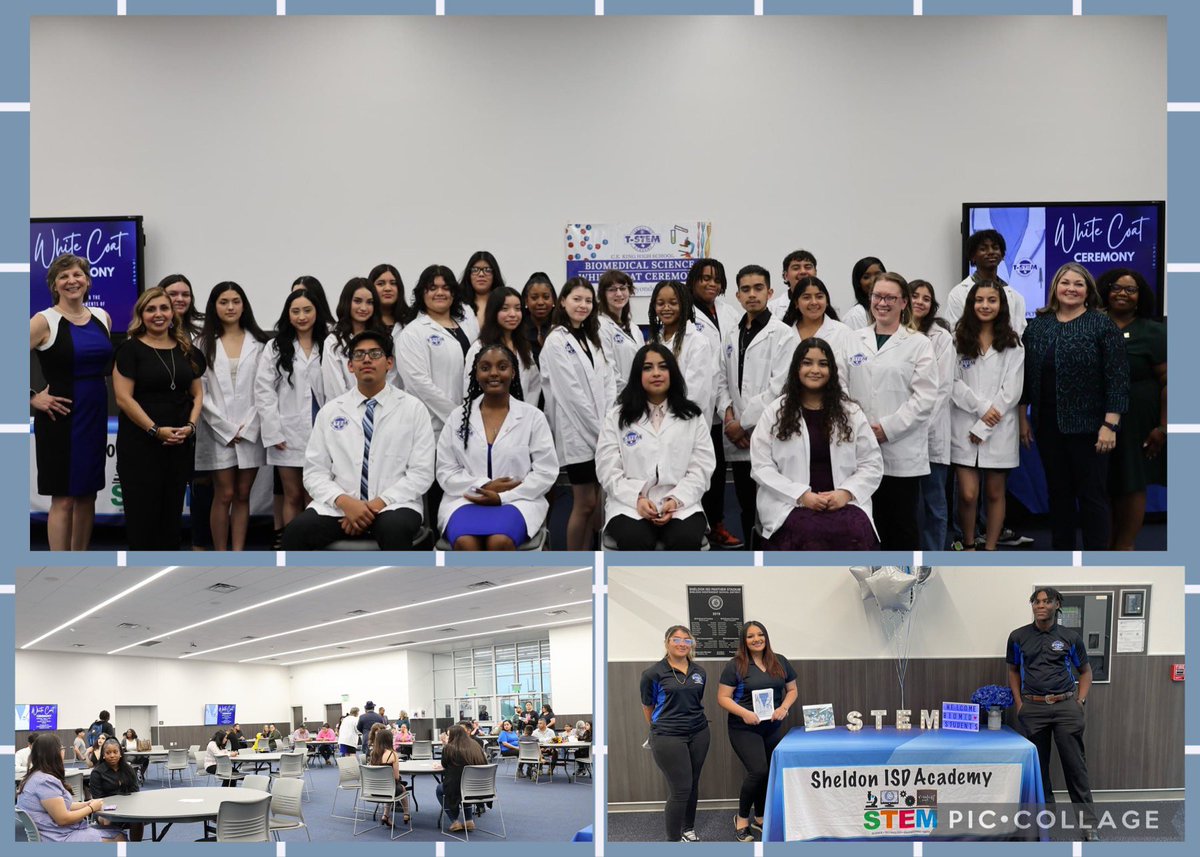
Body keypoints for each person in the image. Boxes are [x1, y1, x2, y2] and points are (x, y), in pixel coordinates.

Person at [282, 331, 434, 550]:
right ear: (350, 366)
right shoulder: (331, 411)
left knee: (394, 529)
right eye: (359, 355)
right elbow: (315, 472)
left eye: (375, 354)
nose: (367, 359)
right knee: (295, 533)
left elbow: (421, 472)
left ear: (389, 363)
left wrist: (372, 506)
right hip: (339, 506)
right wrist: (346, 503)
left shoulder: (413, 409)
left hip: (394, 505)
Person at [1019, 263, 1129, 550]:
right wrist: (1023, 418)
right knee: (1059, 495)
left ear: (1088, 291)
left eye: (1078, 284)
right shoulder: (1038, 325)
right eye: (1065, 282)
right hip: (1048, 426)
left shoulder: (1102, 324)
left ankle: (1097, 561)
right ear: (1055, 287)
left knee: (1092, 496)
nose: (1071, 288)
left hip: (1092, 428)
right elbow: (1025, 376)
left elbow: (1117, 377)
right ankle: (1062, 555)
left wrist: (1110, 424)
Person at [751, 338, 883, 550]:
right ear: (796, 368)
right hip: (789, 503)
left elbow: (872, 464)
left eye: (823, 364)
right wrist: (801, 495)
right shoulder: (775, 412)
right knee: (807, 531)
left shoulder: (851, 412)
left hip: (843, 501)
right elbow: (761, 466)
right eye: (807, 363)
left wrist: (845, 493)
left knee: (854, 530)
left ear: (832, 370)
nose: (815, 370)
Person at [843, 272, 938, 550]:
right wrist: (860, 427)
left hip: (901, 451)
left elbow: (925, 397)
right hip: (858, 446)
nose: (882, 303)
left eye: (890, 298)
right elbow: (839, 386)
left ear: (904, 302)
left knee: (901, 526)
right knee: (864, 523)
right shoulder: (852, 339)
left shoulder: (918, 343)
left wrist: (887, 429)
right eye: (877, 296)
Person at [30, 254, 114, 551]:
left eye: (77, 275)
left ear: (87, 281)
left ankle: (79, 559)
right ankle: (59, 562)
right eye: (63, 277)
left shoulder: (103, 317)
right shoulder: (43, 320)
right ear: (55, 286)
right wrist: (32, 397)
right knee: (63, 498)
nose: (71, 281)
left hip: (93, 413)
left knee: (87, 494)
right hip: (60, 418)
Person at [113, 287, 207, 550]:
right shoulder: (129, 350)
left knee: (171, 518)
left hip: (178, 445)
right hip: (140, 446)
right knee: (143, 521)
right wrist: (155, 430)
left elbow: (198, 394)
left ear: (172, 313)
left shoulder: (187, 349)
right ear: (141, 315)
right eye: (151, 309)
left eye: (164, 308)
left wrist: (190, 426)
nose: (158, 314)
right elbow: (123, 398)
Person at [438, 343, 558, 550]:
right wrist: (484, 486)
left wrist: (503, 496)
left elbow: (545, 472)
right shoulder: (456, 418)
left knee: (499, 541)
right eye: (485, 368)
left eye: (502, 367)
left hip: (518, 501)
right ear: (476, 374)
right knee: (466, 543)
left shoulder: (533, 417)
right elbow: (445, 471)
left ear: (513, 373)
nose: (494, 373)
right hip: (465, 501)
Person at [596, 343, 715, 550]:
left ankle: (676, 584)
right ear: (637, 375)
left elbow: (702, 469)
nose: (656, 373)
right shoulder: (617, 417)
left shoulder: (692, 416)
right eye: (648, 368)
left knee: (684, 539)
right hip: (629, 504)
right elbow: (607, 469)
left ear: (672, 372)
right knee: (636, 539)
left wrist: (675, 500)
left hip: (681, 503)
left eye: (663, 367)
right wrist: (637, 499)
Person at [1006, 587, 1098, 838]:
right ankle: (1044, 821)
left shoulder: (1071, 637)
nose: (1040, 605)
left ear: (1057, 605)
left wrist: (1079, 701)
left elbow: (1086, 672)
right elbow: (1013, 670)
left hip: (1066, 707)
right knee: (1039, 768)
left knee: (1075, 767)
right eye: (1036, 601)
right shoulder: (1017, 637)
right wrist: (1019, 703)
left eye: (1046, 601)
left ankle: (1088, 824)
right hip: (1033, 708)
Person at [717, 265, 797, 548]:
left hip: (766, 433)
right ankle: (752, 560)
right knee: (745, 505)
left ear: (770, 292)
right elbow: (721, 381)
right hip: (736, 438)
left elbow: (779, 387)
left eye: (758, 288)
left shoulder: (783, 334)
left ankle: (771, 562)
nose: (752, 295)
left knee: (772, 508)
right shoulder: (730, 334)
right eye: (746, 289)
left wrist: (743, 423)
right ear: (737, 295)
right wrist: (728, 419)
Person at [541, 277, 616, 549]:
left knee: (597, 504)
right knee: (584, 504)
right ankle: (575, 561)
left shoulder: (590, 337)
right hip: (578, 433)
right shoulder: (556, 341)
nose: (582, 305)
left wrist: (608, 427)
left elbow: (609, 382)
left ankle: (590, 557)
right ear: (562, 301)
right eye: (576, 299)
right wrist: (600, 434)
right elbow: (571, 395)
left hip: (602, 431)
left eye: (587, 300)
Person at [195, 281, 270, 551]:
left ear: (244, 305)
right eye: (223, 302)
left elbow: (264, 390)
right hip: (218, 432)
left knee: (241, 495)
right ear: (214, 307)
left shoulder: (260, 343)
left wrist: (247, 427)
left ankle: (238, 553)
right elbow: (200, 392)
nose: (230, 307)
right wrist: (227, 428)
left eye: (235, 301)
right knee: (224, 493)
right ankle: (221, 553)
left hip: (251, 428)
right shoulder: (203, 343)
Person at [951, 280, 1024, 551]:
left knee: (994, 493)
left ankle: (990, 549)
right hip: (964, 426)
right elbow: (953, 383)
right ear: (971, 304)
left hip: (999, 428)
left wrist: (984, 424)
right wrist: (981, 410)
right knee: (968, 494)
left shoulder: (1013, 343)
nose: (985, 305)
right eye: (979, 300)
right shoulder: (957, 339)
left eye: (991, 300)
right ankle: (969, 545)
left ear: (1001, 305)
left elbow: (1012, 391)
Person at [398, 264, 475, 520]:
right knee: (438, 493)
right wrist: (457, 416)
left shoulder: (466, 324)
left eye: (445, 287)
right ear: (422, 293)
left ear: (454, 293)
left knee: (467, 491)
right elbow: (419, 384)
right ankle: (436, 552)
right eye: (432, 288)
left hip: (470, 423)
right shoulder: (413, 333)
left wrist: (470, 417)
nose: (439, 292)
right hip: (435, 427)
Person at [1097, 268, 1167, 550]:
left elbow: (1169, 382)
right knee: (1103, 483)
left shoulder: (1154, 331)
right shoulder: (1092, 324)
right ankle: (1105, 546)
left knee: (1132, 481)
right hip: (1098, 417)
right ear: (1106, 291)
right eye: (1117, 287)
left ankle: (1124, 547)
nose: (1123, 293)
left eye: (1131, 289)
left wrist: (1163, 426)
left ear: (1140, 297)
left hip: (1139, 418)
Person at [718, 622, 798, 842]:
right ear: (744, 640)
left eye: (760, 634)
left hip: (771, 727)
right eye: (751, 636)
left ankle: (760, 817)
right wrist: (744, 713)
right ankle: (742, 818)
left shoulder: (779, 660)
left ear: (766, 637)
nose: (756, 639)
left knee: (768, 772)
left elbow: (792, 690)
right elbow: (723, 697)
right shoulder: (735, 665)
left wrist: (784, 708)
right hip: (744, 727)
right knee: (758, 771)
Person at [255, 287, 327, 529]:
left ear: (317, 312)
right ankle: (292, 548)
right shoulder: (275, 346)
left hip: (323, 433)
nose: (301, 316)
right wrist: (273, 430)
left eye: (307, 310)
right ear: (288, 314)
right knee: (293, 495)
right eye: (295, 311)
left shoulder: (329, 344)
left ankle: (313, 551)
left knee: (315, 498)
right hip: (287, 433)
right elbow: (263, 391)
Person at [686, 258, 742, 549]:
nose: (711, 284)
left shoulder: (729, 312)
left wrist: (728, 409)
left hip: (721, 408)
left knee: (717, 473)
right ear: (693, 279)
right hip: (692, 408)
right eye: (705, 278)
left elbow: (727, 365)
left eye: (717, 279)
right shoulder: (684, 312)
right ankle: (694, 527)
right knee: (693, 472)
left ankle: (716, 525)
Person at [641, 625, 710, 843]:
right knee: (680, 789)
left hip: (699, 732)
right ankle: (673, 842)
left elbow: (696, 701)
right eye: (676, 639)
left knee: (693, 783)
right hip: (668, 736)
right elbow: (648, 707)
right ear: (667, 643)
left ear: (691, 645)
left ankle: (688, 828)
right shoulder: (653, 673)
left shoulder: (700, 672)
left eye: (686, 640)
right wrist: (660, 729)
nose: (682, 644)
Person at [908, 280, 955, 552]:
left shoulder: (941, 337)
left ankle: (934, 555)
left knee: (933, 502)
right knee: (906, 504)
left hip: (931, 431)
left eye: (927, 298)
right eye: (915, 296)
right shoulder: (896, 334)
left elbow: (942, 388)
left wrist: (918, 425)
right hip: (899, 434)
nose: (920, 302)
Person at [17, 734, 122, 842]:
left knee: (115, 832)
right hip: (57, 838)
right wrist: (91, 808)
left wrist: (86, 803)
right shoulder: (45, 782)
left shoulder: (35, 777)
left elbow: (60, 806)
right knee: (118, 836)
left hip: (50, 834)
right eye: (61, 748)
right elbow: (63, 819)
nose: (63, 751)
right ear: (54, 753)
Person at [461, 286, 543, 408]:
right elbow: (469, 388)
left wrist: (525, 413)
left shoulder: (523, 346)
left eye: (517, 308)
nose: (513, 314)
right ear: (493, 312)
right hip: (488, 417)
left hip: (522, 418)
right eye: (505, 309)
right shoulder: (479, 348)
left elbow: (534, 385)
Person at [649, 279, 718, 422]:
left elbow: (696, 394)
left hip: (685, 421)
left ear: (685, 305)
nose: (666, 308)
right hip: (654, 421)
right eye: (660, 303)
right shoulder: (653, 342)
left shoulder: (697, 342)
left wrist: (668, 420)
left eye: (673, 303)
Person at [943, 229, 1027, 335]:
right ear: (973, 257)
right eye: (983, 249)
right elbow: (955, 333)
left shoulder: (1016, 297)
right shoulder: (958, 293)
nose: (991, 252)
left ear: (1002, 255)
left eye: (995, 248)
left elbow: (1018, 336)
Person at [322, 277, 388, 397]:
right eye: (357, 301)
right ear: (347, 302)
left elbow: (390, 379)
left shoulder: (383, 338)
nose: (363, 308)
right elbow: (335, 389)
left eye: (369, 302)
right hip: (345, 410)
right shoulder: (333, 342)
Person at [781, 275, 854, 377]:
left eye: (819, 297)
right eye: (806, 297)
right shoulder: (783, 333)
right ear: (796, 303)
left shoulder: (844, 333)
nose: (814, 302)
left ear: (827, 301)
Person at [596, 269, 643, 397]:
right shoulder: (600, 325)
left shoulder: (634, 328)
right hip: (617, 397)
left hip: (638, 395)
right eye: (612, 289)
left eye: (623, 288)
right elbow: (608, 368)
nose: (619, 294)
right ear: (603, 294)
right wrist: (627, 394)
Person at [88, 739, 143, 841]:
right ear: (103, 755)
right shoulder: (97, 773)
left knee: (137, 819)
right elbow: (97, 799)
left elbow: (136, 792)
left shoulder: (128, 769)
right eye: (108, 753)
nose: (112, 755)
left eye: (115, 752)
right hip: (105, 810)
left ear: (120, 753)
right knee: (108, 820)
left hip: (128, 807)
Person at [437, 724, 487, 833]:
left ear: (453, 736)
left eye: (449, 735)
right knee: (465, 786)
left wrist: (446, 745)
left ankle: (455, 821)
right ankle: (469, 821)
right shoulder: (475, 745)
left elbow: (444, 764)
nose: (448, 737)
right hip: (480, 787)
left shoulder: (449, 748)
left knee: (439, 790)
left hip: (459, 788)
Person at [368, 727, 409, 827]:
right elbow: (396, 777)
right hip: (388, 789)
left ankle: (385, 816)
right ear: (389, 740)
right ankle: (406, 813)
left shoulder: (373, 754)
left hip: (373, 790)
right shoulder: (393, 754)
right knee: (401, 788)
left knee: (390, 787)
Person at [459, 250, 503, 338]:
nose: (481, 274)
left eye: (487, 270)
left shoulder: (504, 301)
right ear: (469, 274)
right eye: (475, 270)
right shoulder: (458, 302)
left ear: (495, 274)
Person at [767, 249, 818, 318]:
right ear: (785, 275)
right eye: (796, 268)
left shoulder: (824, 306)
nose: (803, 272)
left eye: (808, 267)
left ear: (815, 273)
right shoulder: (770, 310)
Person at [520, 272, 557, 364]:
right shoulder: (518, 325)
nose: (540, 302)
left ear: (553, 299)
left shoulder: (561, 325)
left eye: (546, 297)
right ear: (526, 301)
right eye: (534, 297)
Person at [367, 263, 410, 343]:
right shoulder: (363, 320)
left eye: (393, 283)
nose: (388, 288)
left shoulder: (412, 319)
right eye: (380, 284)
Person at [842, 257, 885, 330]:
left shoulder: (894, 308)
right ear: (858, 283)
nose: (873, 280)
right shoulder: (855, 315)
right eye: (866, 277)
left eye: (878, 274)